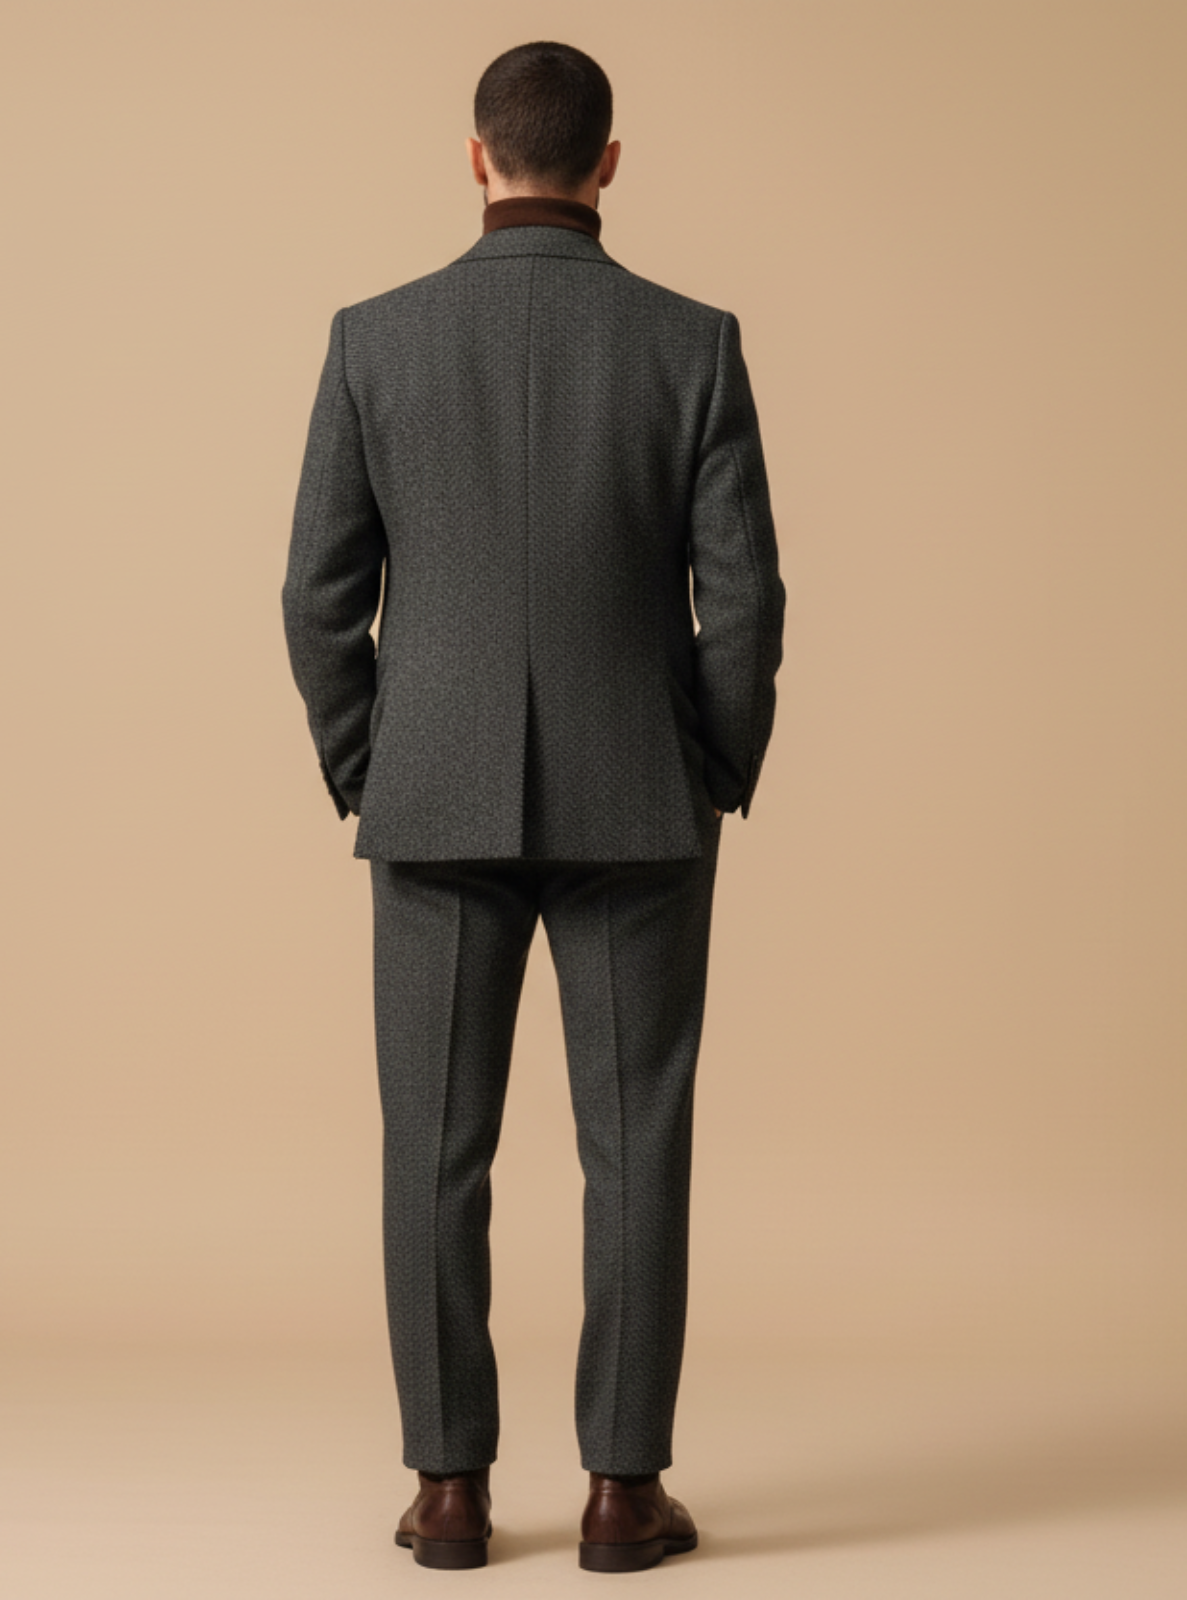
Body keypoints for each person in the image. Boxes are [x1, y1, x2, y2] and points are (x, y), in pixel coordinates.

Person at [281, 38, 784, 1573]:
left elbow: (316, 597)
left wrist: (376, 766)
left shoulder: (376, 340)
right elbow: (745, 603)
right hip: (640, 803)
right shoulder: (689, 343)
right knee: (635, 1145)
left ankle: (448, 1490)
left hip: (428, 800)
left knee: (429, 1147)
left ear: (477, 155)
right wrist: (704, 769)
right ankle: (622, 1495)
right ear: (608, 163)